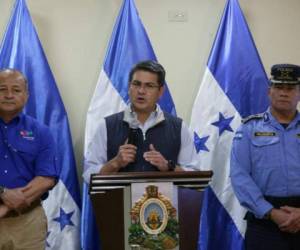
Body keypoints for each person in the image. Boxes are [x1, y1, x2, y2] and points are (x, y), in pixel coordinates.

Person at [83, 60, 198, 181]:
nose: (141, 91)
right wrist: (115, 163)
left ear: (160, 91)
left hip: (163, 200)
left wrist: (169, 166)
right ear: (129, 87)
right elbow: (88, 175)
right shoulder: (106, 125)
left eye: (149, 86)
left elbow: (195, 175)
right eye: (136, 84)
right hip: (118, 199)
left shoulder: (178, 127)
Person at [230, 64, 300, 250]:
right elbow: (239, 176)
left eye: (290, 88)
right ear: (269, 92)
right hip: (264, 224)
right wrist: (271, 212)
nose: (284, 93)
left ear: (299, 93)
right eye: (278, 87)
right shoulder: (248, 129)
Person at [0, 69, 58, 250]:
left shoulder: (41, 131)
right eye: (2, 89)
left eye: (16, 90)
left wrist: (6, 206)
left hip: (28, 223)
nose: (9, 95)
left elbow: (47, 178)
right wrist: (3, 192)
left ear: (26, 95)